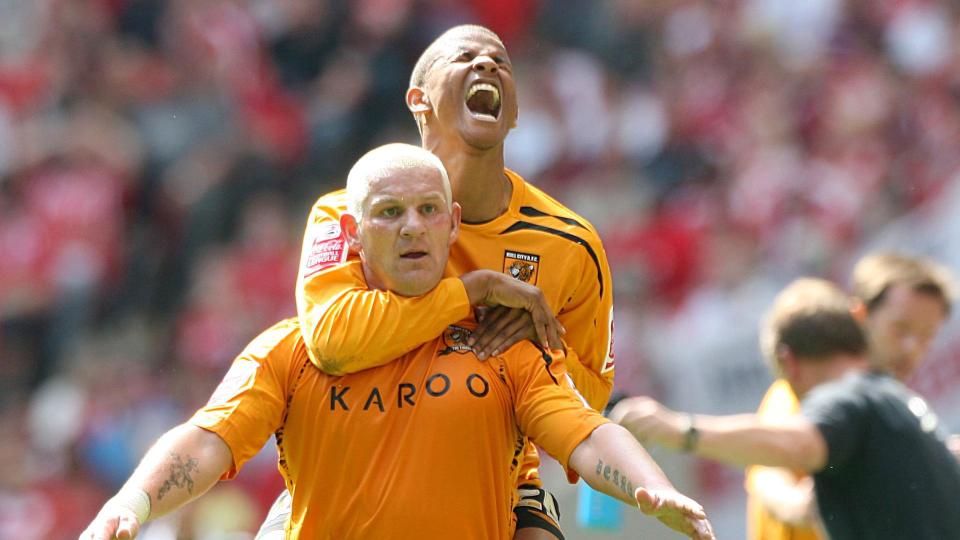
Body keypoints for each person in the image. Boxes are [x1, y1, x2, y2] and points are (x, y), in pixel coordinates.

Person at [80, 144, 714, 540]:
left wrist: (648, 487)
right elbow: (208, 439)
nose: (413, 226)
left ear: (453, 222)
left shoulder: (504, 345)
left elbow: (584, 430)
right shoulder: (292, 348)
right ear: (353, 233)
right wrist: (133, 502)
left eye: (429, 210)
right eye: (389, 212)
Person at [284, 24, 615, 540]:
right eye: (465, 56)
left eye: (501, 62)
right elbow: (330, 343)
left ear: (515, 113)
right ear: (419, 100)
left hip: (496, 486)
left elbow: (591, 399)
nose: (487, 66)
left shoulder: (571, 245)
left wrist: (540, 345)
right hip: (343, 476)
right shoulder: (346, 215)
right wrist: (471, 292)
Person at [609, 278, 960, 540]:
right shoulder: (899, 404)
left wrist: (677, 428)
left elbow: (798, 445)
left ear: (788, 362)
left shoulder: (843, 399)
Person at [745, 253, 956, 540]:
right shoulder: (808, 391)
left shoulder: (888, 399)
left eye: (927, 335)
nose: (912, 348)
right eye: (901, 329)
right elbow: (767, 469)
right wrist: (796, 504)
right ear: (861, 316)